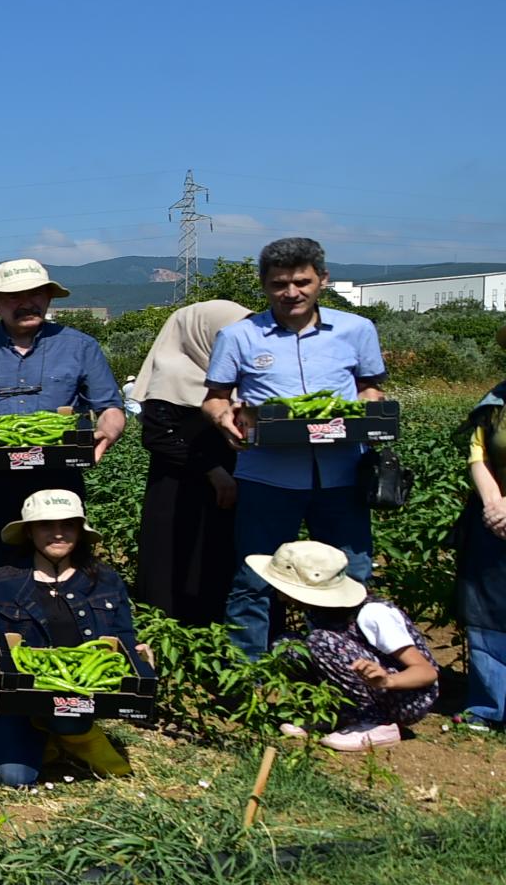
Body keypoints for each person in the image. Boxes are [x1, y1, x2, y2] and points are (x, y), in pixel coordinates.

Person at [204, 238, 386, 659]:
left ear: (322, 280)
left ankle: (344, 669)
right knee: (254, 576)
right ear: (264, 286)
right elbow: (215, 396)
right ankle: (248, 672)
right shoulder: (238, 336)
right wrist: (222, 418)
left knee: (349, 574)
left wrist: (369, 407)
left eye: (302, 282)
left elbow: (370, 388)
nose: (292, 293)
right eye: (279, 284)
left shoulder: (356, 330)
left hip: (342, 475)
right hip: (267, 475)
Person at [0, 259, 125, 586]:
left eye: (36, 293)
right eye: (14, 296)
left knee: (62, 566)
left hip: (59, 475)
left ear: (49, 298)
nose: (28, 303)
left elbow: (109, 407)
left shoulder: (80, 346)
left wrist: (107, 433)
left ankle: (62, 633)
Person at [0, 490, 141, 787]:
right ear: (29, 532)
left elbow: (122, 637)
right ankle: (24, 734)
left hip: (83, 690)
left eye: (68, 525)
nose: (58, 533)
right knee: (12, 778)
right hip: (22, 697)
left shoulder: (106, 580)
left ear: (79, 532)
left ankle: (75, 732)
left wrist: (136, 654)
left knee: (67, 717)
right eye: (46, 525)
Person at [248, 541, 438, 751]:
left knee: (321, 642)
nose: (279, 594)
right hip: (369, 685)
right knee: (287, 646)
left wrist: (387, 680)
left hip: (404, 697)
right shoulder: (317, 611)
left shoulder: (373, 614)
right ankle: (332, 714)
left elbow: (426, 672)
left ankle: (377, 724)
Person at [129, 299, 251, 625]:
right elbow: (158, 436)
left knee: (222, 558)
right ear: (203, 332)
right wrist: (212, 470)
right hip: (180, 487)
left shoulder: (234, 374)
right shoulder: (173, 370)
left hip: (232, 481)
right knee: (177, 560)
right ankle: (175, 638)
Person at [452, 346, 506, 733]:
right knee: (486, 610)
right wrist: (493, 504)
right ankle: (489, 706)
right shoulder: (496, 401)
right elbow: (479, 453)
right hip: (493, 518)